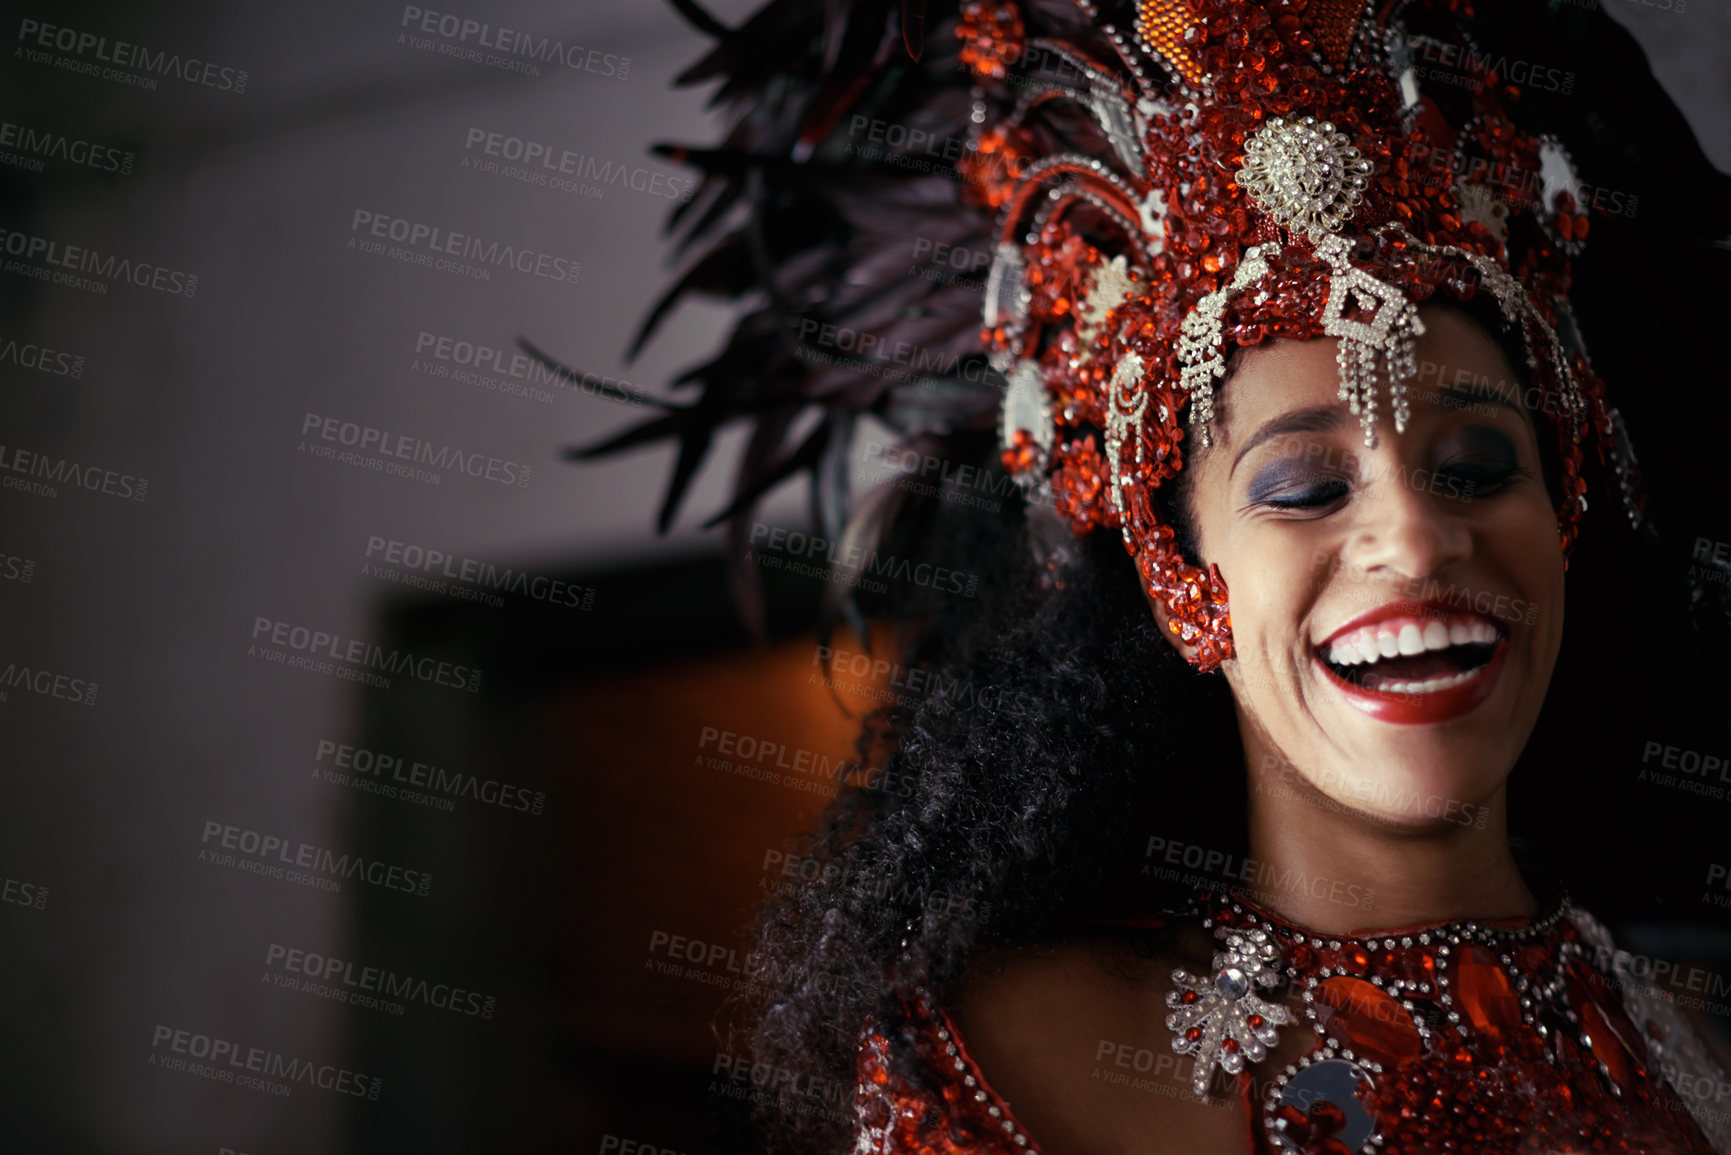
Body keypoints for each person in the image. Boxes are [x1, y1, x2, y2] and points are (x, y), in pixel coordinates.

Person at [577, 0, 1731, 1150]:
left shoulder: (1695, 1047)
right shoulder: (1027, 1057)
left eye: (1478, 467)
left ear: (1569, 507)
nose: (1418, 543)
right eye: (1303, 488)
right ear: (1180, 569)